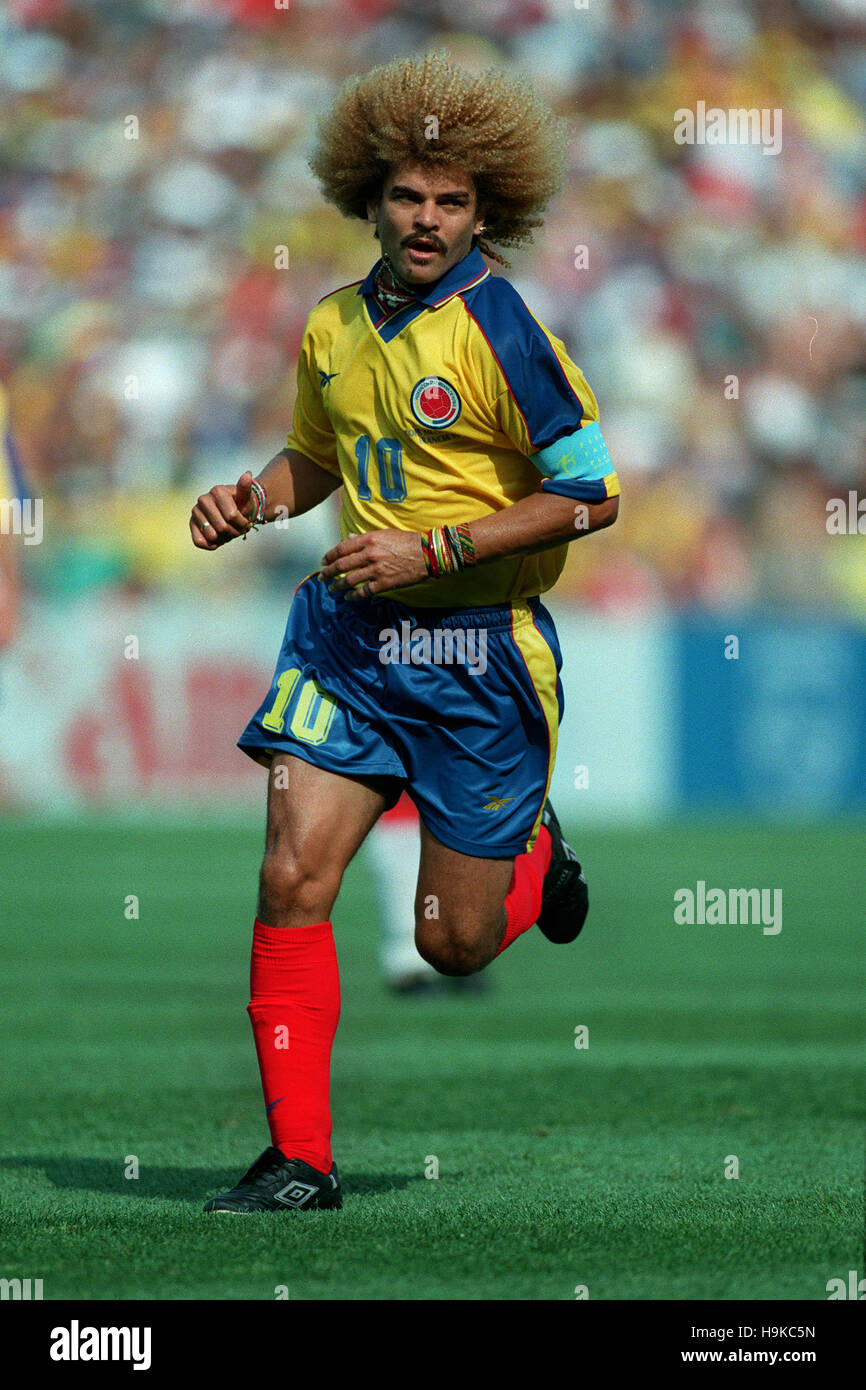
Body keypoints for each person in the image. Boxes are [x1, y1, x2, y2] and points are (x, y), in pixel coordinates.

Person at [190, 55, 619, 1214]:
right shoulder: (332, 325)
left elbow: (591, 493)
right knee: (290, 875)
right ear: (367, 200)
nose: (425, 220)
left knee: (452, 947)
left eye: (450, 202)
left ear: (486, 212)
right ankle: (300, 1163)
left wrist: (434, 549)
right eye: (406, 197)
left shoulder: (503, 329)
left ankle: (538, 855)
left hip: (476, 656)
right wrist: (254, 500)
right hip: (346, 641)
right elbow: (317, 460)